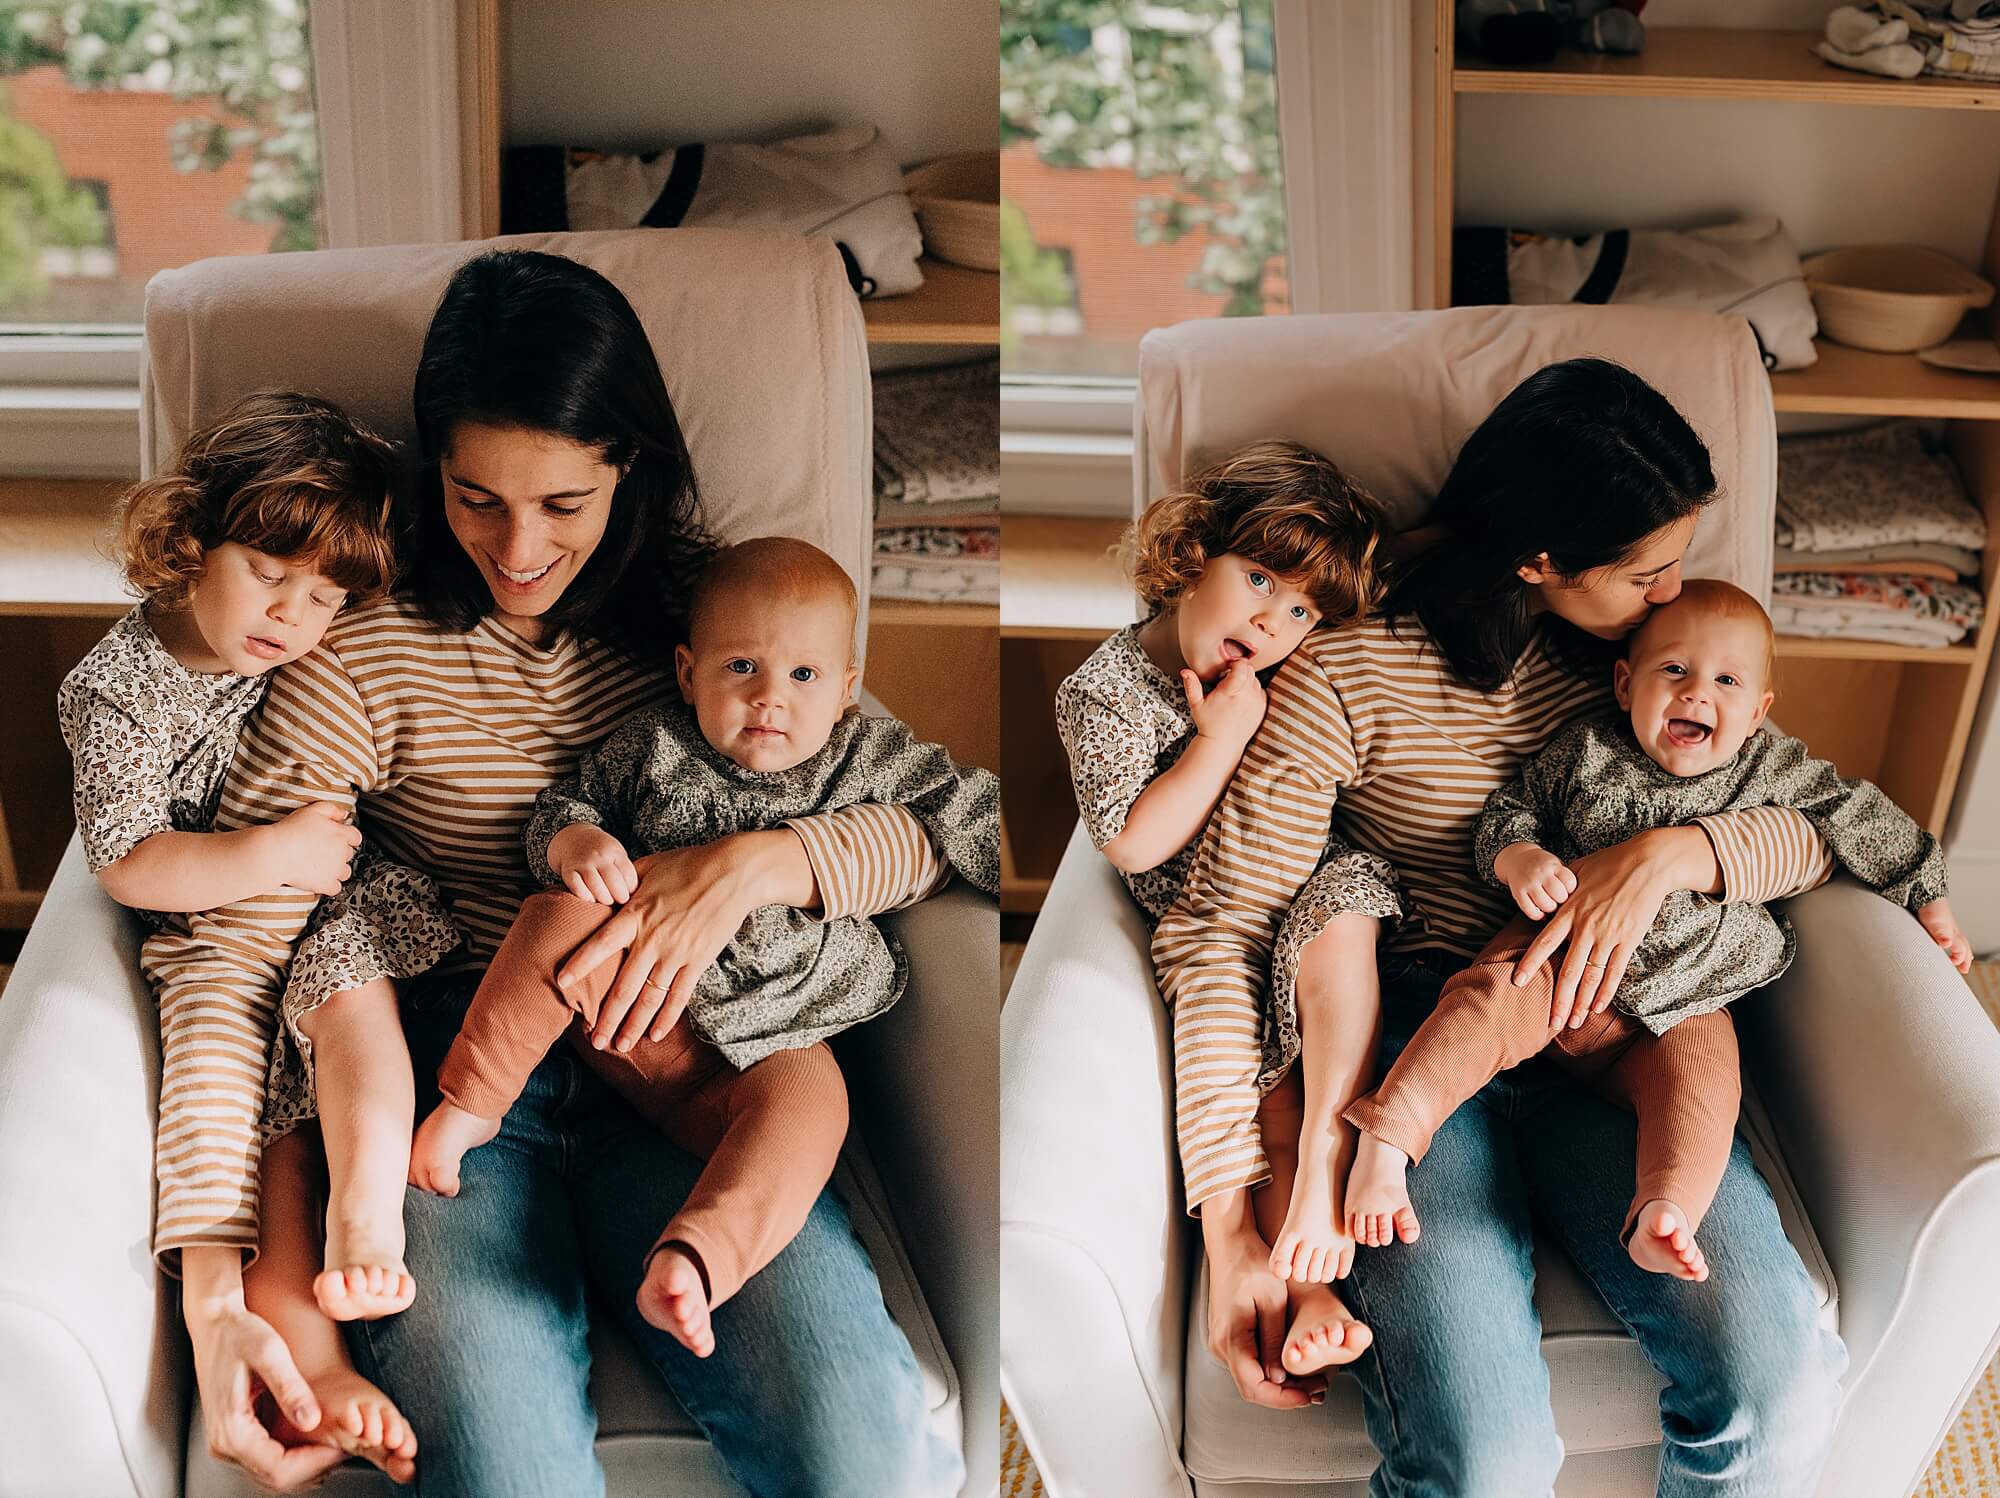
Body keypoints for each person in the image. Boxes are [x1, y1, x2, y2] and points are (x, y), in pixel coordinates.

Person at [143, 249, 963, 1496]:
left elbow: (929, 827)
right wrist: (217, 1282)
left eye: (562, 505)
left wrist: (757, 862)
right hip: (452, 1094)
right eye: (477, 498)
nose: (516, 549)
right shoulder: (358, 648)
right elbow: (232, 947)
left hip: (697, 1065)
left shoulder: (733, 629)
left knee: (860, 1451)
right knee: (501, 1467)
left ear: (625, 466)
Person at [1155, 358, 1848, 1492]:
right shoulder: (1341, 671)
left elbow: (1813, 824)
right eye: (1647, 570)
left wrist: (1668, 853)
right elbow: (1216, 931)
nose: (1677, 590)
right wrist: (1229, 1223)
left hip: (1624, 1037)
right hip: (1426, 1052)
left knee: (1773, 1396)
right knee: (1483, 1462)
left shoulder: (1657, 666)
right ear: (1539, 562)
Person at [409, 535, 999, 1359]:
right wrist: (576, 843)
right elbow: (561, 806)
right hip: (613, 1009)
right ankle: (472, 1103)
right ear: (688, 672)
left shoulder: (870, 759)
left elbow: (982, 820)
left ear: (847, 687)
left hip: (764, 1048)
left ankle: (698, 1258)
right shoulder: (651, 746)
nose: (769, 700)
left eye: (803, 676)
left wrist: (808, 854)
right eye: (740, 668)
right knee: (555, 917)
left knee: (815, 1107)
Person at [1342, 578, 1970, 1282]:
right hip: (1556, 961)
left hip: (1682, 1002)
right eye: (1674, 670)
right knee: (1482, 999)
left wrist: (1930, 898)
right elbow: (1510, 811)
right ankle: (1389, 1138)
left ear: (1759, 709)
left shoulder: (1771, 768)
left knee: (1706, 1084)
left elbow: (1859, 814)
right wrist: (1519, 857)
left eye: (1726, 680)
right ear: (1624, 682)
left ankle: (1664, 1211)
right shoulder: (1584, 752)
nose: (1697, 693)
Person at [57, 390, 456, 1480]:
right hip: (211, 927)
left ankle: (366, 1220)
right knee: (242, 1130)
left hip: (324, 906)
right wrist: (269, 855)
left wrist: (301, 868)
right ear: (188, 543)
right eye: (270, 576)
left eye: (321, 599)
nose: (292, 616)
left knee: (357, 1002)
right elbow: (128, 857)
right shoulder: (115, 689)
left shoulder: (309, 646)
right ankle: (299, 1352)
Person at [1054, 439, 1404, 1379]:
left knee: (1348, 922)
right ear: (1188, 554)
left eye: (1299, 610)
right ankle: (1263, 1258)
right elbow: (1129, 841)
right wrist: (1217, 742)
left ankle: (1318, 1208)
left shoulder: (1292, 670)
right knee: (1260, 1092)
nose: (1274, 619)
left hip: (1311, 883)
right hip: (1204, 916)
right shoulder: (1109, 690)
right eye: (1258, 579)